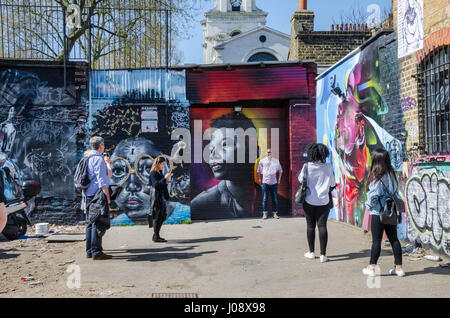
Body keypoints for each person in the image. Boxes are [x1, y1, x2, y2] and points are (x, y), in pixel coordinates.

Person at [364, 148, 404, 277]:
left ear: (375, 160)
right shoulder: (391, 174)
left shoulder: (377, 176)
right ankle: (399, 269)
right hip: (391, 211)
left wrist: (368, 206)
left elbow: (373, 196)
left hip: (378, 213)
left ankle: (371, 268)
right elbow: (395, 192)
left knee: (376, 241)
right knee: (394, 239)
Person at [298, 143, 336, 263]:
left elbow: (300, 180)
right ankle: (323, 255)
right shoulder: (328, 167)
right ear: (324, 154)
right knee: (322, 226)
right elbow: (332, 184)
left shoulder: (306, 166)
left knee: (310, 226)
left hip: (309, 200)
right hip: (324, 201)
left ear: (311, 153)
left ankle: (311, 252)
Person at [83, 136, 112, 260]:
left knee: (90, 223)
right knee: (98, 223)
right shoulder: (98, 159)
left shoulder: (87, 157)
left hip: (88, 194)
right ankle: (97, 252)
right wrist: (107, 196)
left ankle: (89, 251)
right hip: (97, 195)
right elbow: (102, 180)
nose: (104, 147)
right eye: (103, 145)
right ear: (101, 145)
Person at [150, 156, 173, 243]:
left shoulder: (159, 173)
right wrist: (165, 178)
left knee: (163, 216)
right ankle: (156, 236)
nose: (164, 166)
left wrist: (165, 181)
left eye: (164, 164)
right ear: (158, 164)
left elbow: (160, 184)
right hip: (156, 198)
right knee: (158, 217)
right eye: (163, 164)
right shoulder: (153, 173)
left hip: (161, 198)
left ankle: (156, 235)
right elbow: (155, 185)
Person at [257, 148, 283, 220]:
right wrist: (259, 179)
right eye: (268, 152)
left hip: (274, 183)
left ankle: (275, 214)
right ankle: (265, 214)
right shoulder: (262, 161)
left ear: (272, 153)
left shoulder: (276, 161)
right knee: (265, 199)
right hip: (265, 183)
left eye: (270, 152)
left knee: (274, 199)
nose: (269, 153)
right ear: (266, 153)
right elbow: (258, 170)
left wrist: (279, 179)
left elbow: (281, 170)